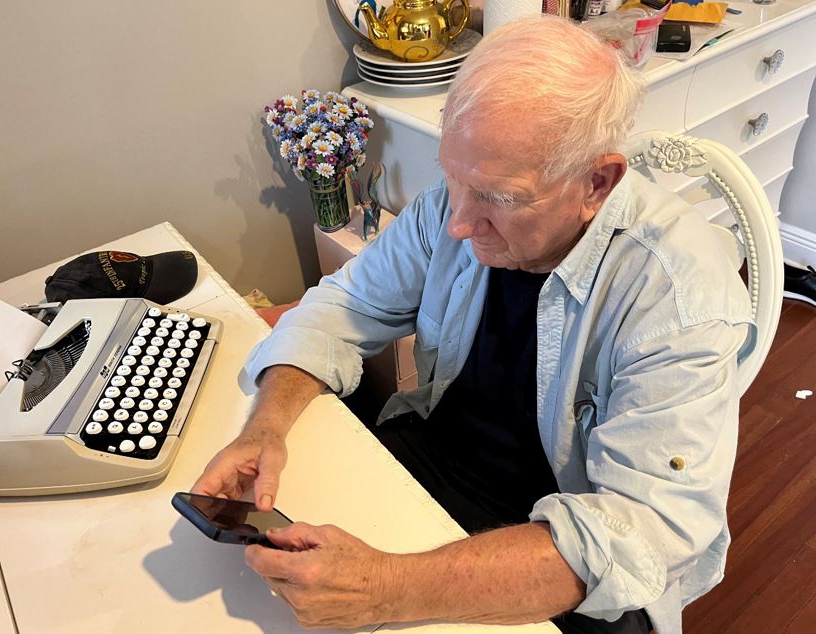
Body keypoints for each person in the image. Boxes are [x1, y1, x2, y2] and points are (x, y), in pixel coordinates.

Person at [192, 15, 754, 634]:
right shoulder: (452, 207)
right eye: (454, 179)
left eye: (499, 198)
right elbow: (344, 307)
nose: (458, 223)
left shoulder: (678, 293)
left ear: (598, 182)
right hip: (434, 461)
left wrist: (387, 589)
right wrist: (265, 426)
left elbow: (642, 530)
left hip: (568, 551)